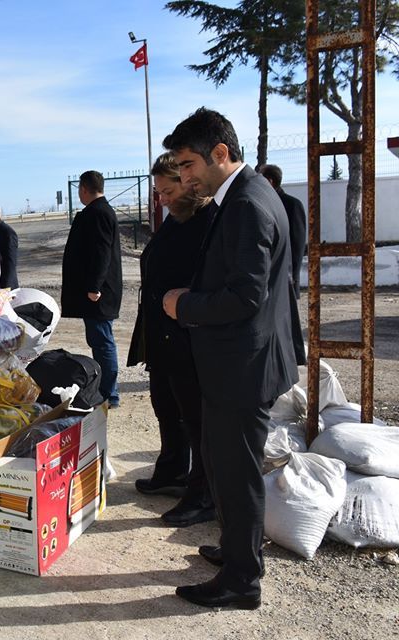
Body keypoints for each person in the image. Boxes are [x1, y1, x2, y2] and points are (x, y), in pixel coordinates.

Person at [162, 107, 298, 610]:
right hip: (245, 362)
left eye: (190, 165)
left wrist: (184, 305)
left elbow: (245, 296)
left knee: (236, 473)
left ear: (221, 154)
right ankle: (239, 550)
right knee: (226, 467)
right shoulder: (248, 193)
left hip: (243, 368)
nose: (185, 176)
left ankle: (243, 581)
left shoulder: (245, 204)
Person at [128, 152, 215, 527]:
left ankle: (203, 494)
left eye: (167, 190)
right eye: (159, 192)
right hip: (161, 335)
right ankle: (172, 469)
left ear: (188, 182)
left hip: (187, 337)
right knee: (165, 405)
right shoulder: (176, 219)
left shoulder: (207, 221)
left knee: (195, 418)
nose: (161, 198)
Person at [61, 171, 122, 408]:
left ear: (84, 189)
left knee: (102, 341)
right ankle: (108, 391)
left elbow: (101, 253)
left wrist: (94, 286)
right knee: (99, 339)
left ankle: (109, 394)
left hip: (99, 293)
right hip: (97, 291)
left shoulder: (98, 213)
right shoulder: (98, 211)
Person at [258, 164, 306, 299]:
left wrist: (293, 277)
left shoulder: (292, 205)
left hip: (285, 278)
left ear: (269, 181)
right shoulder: (261, 204)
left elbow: (297, 244)